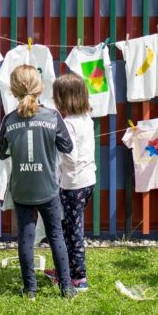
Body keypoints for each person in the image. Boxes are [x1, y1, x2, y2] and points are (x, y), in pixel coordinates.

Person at [0, 65, 77, 300]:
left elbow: (2, 153)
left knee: (25, 236)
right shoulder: (52, 117)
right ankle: (66, 287)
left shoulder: (9, 119)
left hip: (22, 187)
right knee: (56, 235)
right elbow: (68, 146)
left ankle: (30, 289)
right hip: (48, 187)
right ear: (40, 88)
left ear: (13, 90)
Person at [48, 74, 96, 291]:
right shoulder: (86, 118)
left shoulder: (68, 124)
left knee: (72, 231)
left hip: (73, 184)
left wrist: (55, 146)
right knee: (70, 228)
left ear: (64, 99)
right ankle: (63, 270)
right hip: (87, 181)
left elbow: (70, 156)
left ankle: (78, 278)